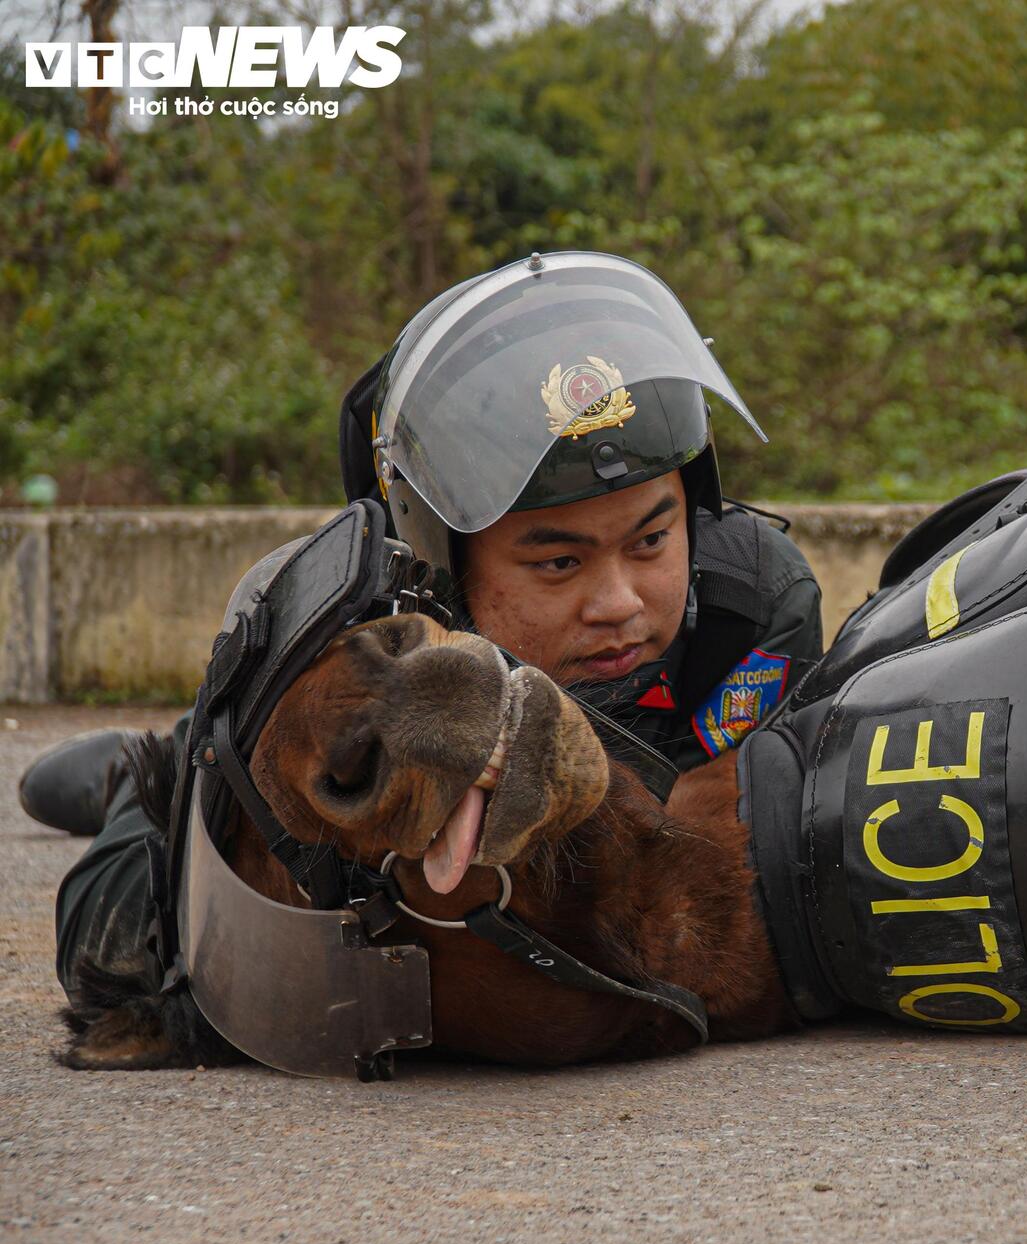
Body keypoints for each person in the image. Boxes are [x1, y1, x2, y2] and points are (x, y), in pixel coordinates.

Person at [23, 250, 824, 1003]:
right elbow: (106, 947)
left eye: (651, 540)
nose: (618, 603)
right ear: (446, 569)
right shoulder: (366, 657)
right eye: (559, 564)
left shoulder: (755, 606)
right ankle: (139, 775)